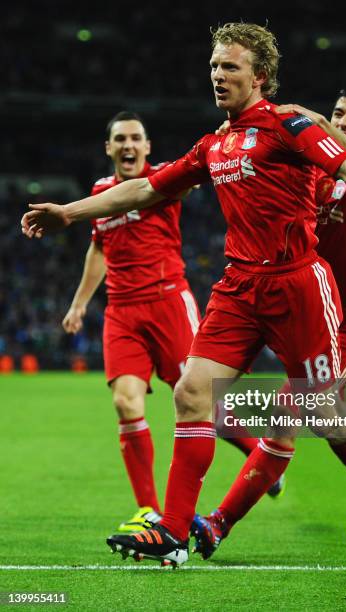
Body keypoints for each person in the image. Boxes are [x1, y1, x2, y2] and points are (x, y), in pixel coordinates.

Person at [22, 23, 346, 569]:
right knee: (190, 392)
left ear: (259, 76)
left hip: (297, 283)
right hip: (238, 287)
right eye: (213, 66)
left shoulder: (288, 124)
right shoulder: (215, 144)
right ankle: (173, 531)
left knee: (321, 411)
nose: (217, 75)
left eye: (229, 67)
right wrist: (69, 212)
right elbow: (147, 188)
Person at [191, 86, 346, 558]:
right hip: (303, 309)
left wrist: (308, 116)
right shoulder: (313, 171)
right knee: (326, 419)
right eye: (337, 113)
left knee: (292, 414)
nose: (341, 123)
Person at [62, 111, 202, 532]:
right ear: (109, 148)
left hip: (168, 304)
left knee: (198, 400)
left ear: (147, 146)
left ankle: (260, 460)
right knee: (125, 401)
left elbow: (194, 177)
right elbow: (99, 251)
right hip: (121, 312)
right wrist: (79, 303)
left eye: (135, 138)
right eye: (120, 139)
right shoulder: (101, 192)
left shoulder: (163, 180)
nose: (128, 145)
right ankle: (149, 511)